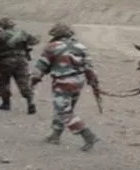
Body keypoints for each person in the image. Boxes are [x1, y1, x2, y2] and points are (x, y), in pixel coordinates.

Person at [29, 23, 100, 151]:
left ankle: (88, 135)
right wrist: (93, 82)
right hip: (78, 82)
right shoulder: (81, 46)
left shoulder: (52, 47)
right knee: (66, 108)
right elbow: (89, 67)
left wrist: (33, 81)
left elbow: (41, 66)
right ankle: (55, 135)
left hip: (63, 83)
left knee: (63, 111)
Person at [0, 17, 38, 114]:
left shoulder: (1, 34)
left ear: (2, 25)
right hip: (22, 61)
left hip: (6, 61)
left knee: (3, 81)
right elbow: (35, 40)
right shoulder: (23, 33)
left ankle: (6, 103)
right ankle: (30, 102)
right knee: (23, 82)